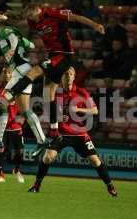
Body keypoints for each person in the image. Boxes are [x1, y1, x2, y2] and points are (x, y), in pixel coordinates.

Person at [0, 4, 104, 157]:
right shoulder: (34, 21)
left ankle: (8, 95)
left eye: (29, 14)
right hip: (52, 56)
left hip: (64, 55)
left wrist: (95, 25)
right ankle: (54, 133)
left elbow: (76, 17)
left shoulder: (52, 14)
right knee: (49, 96)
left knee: (34, 71)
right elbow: (19, 22)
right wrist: (4, 17)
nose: (28, 17)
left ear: (37, 10)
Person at [28, 67, 117, 197]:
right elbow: (50, 109)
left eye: (71, 74)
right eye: (65, 74)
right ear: (62, 76)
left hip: (79, 134)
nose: (68, 76)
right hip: (61, 133)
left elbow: (95, 110)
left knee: (95, 160)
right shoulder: (55, 91)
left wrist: (79, 110)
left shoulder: (81, 92)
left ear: (74, 76)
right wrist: (58, 116)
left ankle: (110, 186)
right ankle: (36, 185)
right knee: (48, 157)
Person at [0, 11, 47, 153]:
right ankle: (42, 140)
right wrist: (21, 42)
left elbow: (13, 40)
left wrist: (11, 52)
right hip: (26, 68)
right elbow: (32, 45)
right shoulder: (15, 31)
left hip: (19, 70)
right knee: (25, 110)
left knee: (1, 103)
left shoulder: (5, 30)